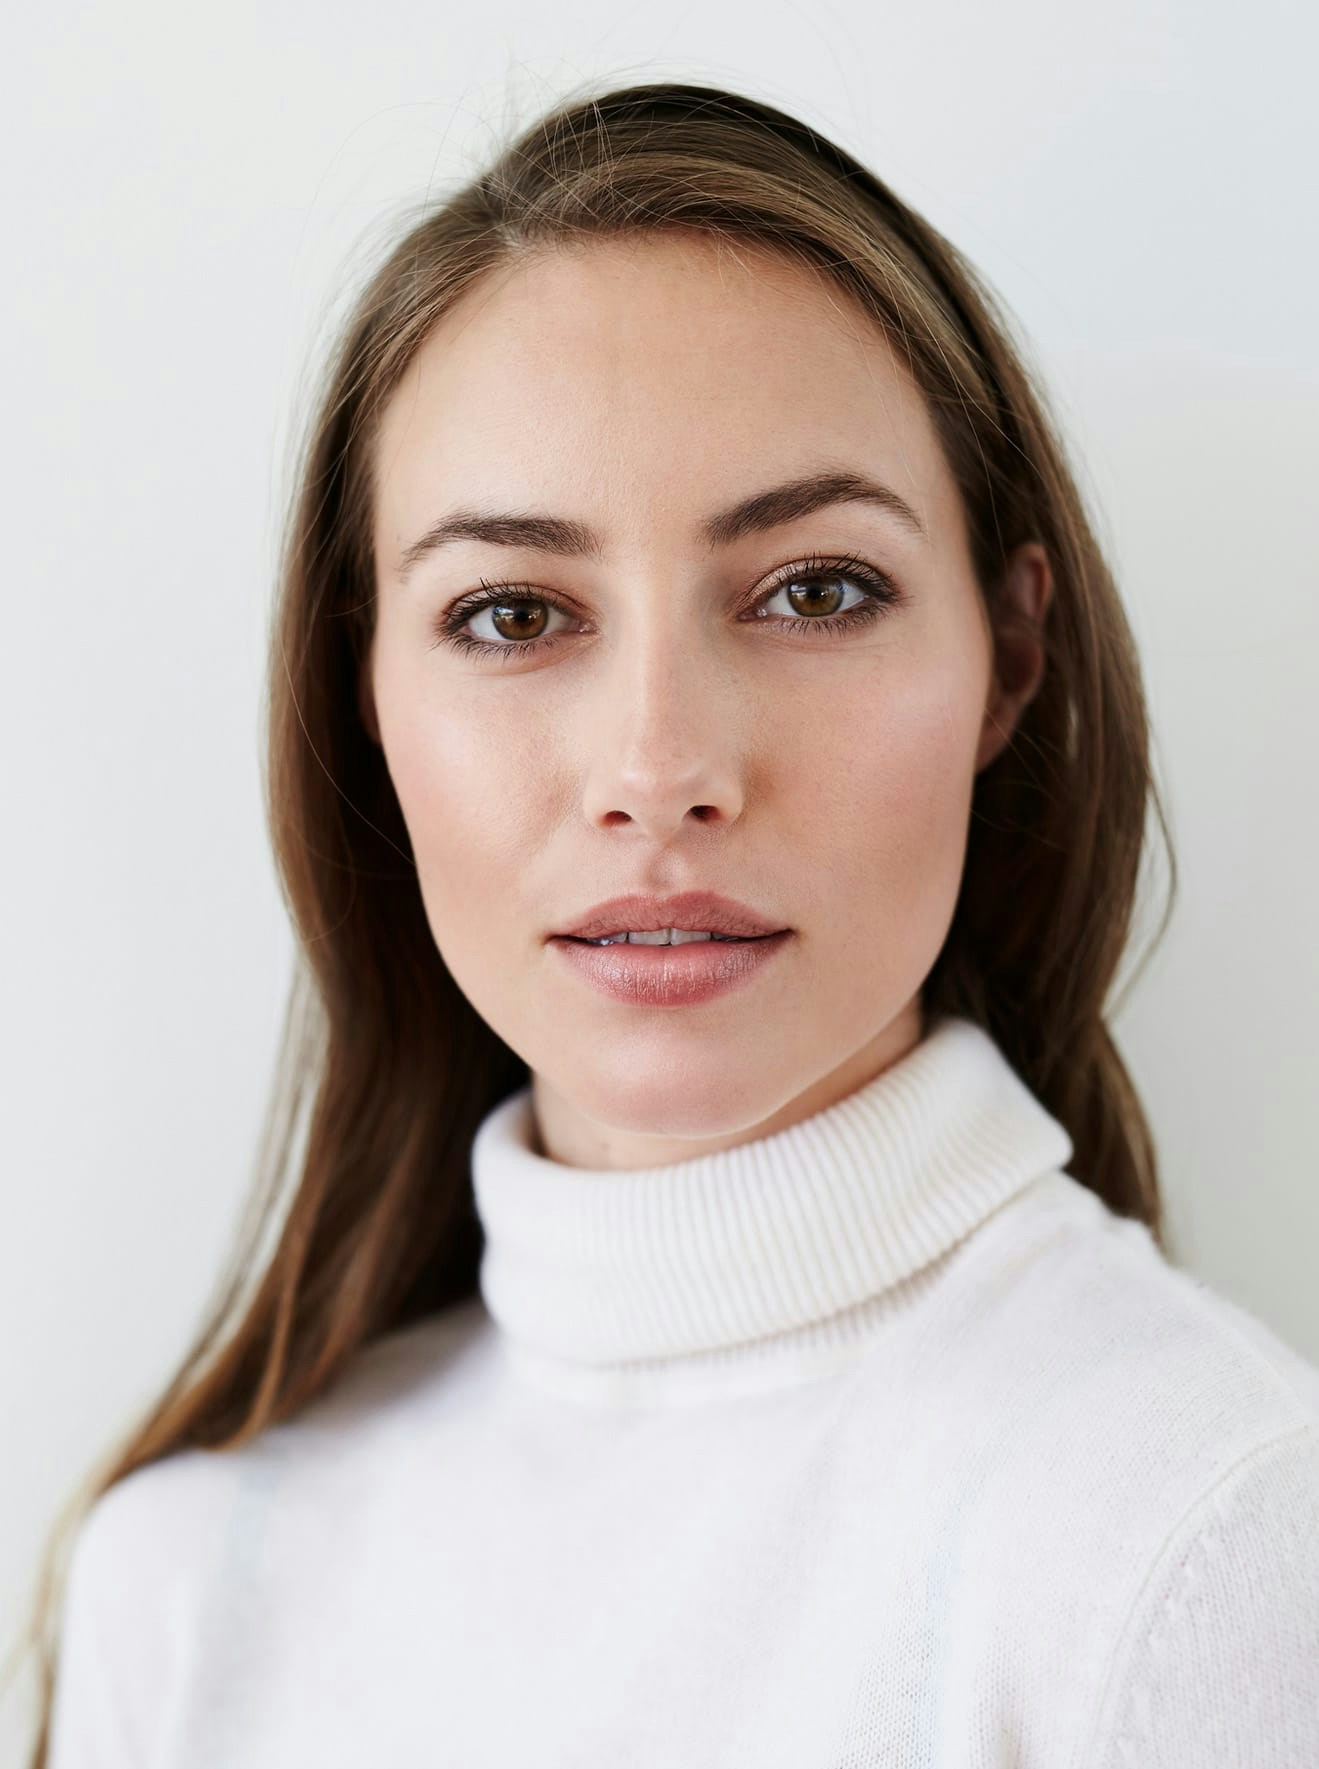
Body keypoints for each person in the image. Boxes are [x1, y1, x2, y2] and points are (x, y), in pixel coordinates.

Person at [20, 78, 1319, 1768]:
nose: (659, 769)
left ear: (1009, 652)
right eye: (510, 612)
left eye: (814, 591)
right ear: (362, 693)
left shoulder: (1206, 1540)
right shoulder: (187, 1589)